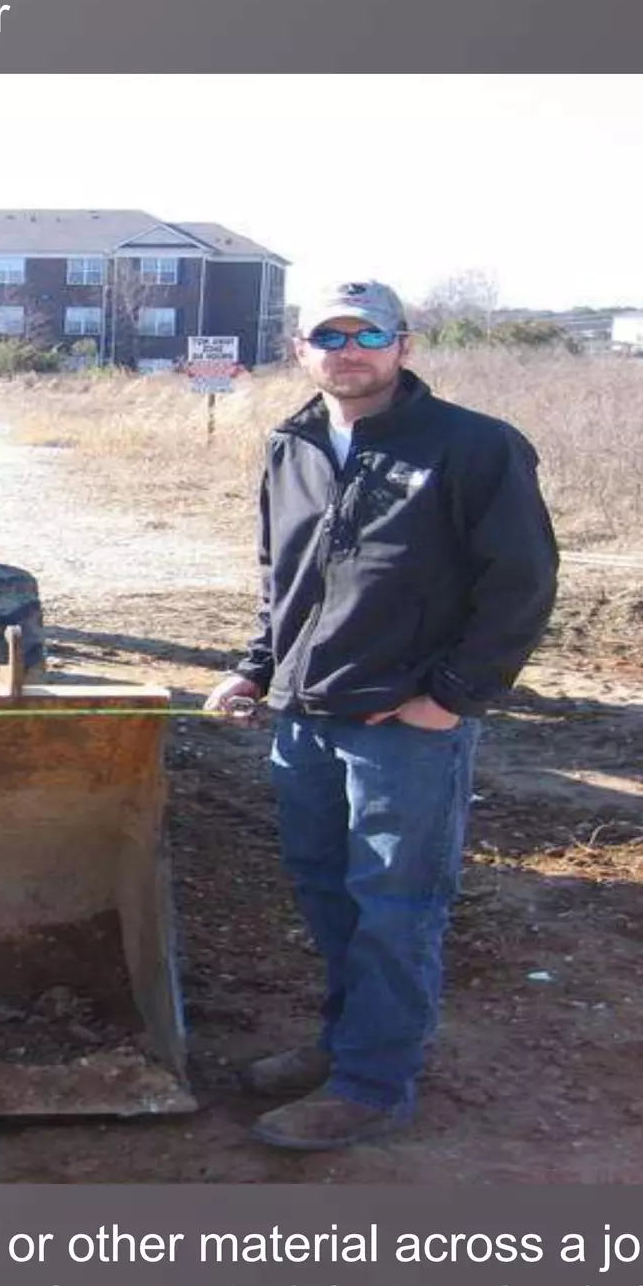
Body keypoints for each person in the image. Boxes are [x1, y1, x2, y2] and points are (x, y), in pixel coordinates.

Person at [204, 279, 559, 1150]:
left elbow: (521, 585)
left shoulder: (472, 447)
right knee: (330, 897)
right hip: (306, 720)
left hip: (406, 728)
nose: (348, 349)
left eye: (370, 334)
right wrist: (258, 670)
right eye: (330, 333)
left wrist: (451, 699)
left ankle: (372, 1085)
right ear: (301, 349)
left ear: (404, 347)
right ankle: (343, 1045)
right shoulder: (293, 445)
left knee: (397, 906)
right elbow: (283, 579)